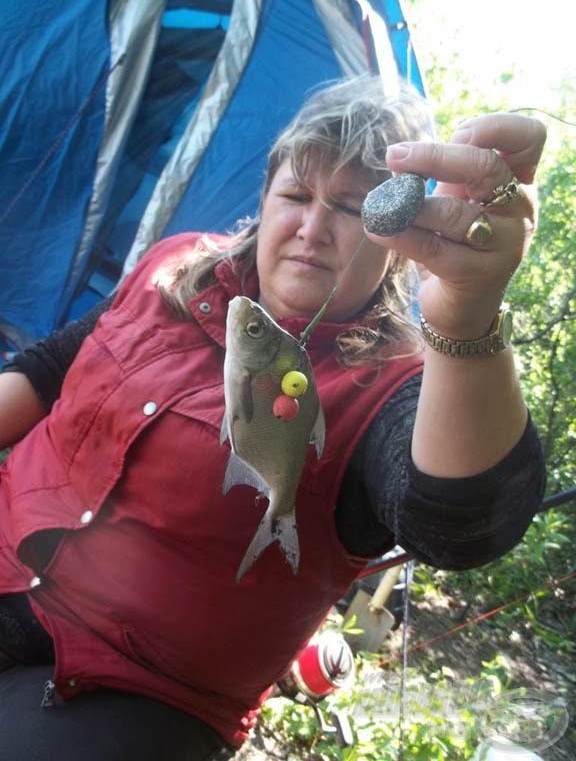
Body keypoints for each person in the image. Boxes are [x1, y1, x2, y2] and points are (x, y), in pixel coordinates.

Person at [0, 74, 546, 759]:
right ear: (264, 194)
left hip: (141, 691)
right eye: (295, 194)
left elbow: (459, 524)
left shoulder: (393, 387)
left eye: (352, 208)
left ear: (398, 239)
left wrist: (466, 321)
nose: (312, 230)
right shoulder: (178, 265)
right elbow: (54, 368)